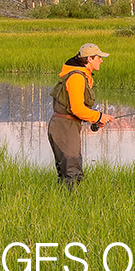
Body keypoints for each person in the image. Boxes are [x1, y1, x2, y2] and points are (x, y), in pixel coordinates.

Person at [47, 42, 114, 188]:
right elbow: (77, 108)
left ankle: (63, 202)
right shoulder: (76, 78)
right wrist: (98, 116)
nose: (101, 60)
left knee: (69, 171)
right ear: (89, 59)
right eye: (98, 57)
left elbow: (75, 109)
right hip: (64, 127)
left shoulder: (81, 75)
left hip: (66, 125)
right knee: (72, 173)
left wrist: (95, 120)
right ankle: (69, 206)